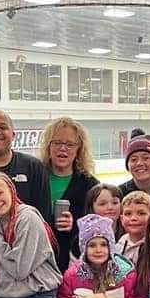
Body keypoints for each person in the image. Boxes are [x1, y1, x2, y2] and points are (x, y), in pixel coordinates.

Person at [57, 214, 136, 298]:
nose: (98, 250)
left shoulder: (124, 274)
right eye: (92, 245)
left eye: (104, 245)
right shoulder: (73, 275)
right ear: (84, 248)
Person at [38, 116, 99, 272]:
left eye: (70, 144)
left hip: (72, 266)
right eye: (57, 143)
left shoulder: (90, 185)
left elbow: (97, 230)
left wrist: (76, 225)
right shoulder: (35, 176)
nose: (63, 148)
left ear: (79, 149)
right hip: (37, 264)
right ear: (48, 146)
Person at [115, 191, 150, 265]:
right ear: (121, 219)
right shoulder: (117, 248)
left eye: (141, 213)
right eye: (128, 214)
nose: (133, 218)